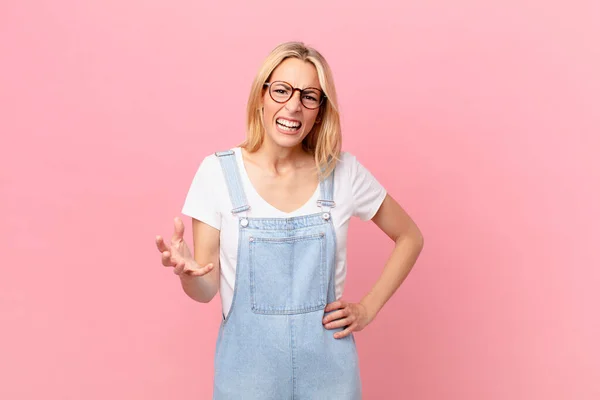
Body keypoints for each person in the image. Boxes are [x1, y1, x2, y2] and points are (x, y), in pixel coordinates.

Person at [155, 41, 424, 399]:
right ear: (261, 96)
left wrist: (367, 308)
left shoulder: (343, 172)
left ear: (320, 110)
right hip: (246, 379)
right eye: (282, 90)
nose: (293, 106)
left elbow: (410, 236)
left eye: (309, 96)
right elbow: (205, 290)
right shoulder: (217, 173)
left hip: (330, 377)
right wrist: (187, 274)